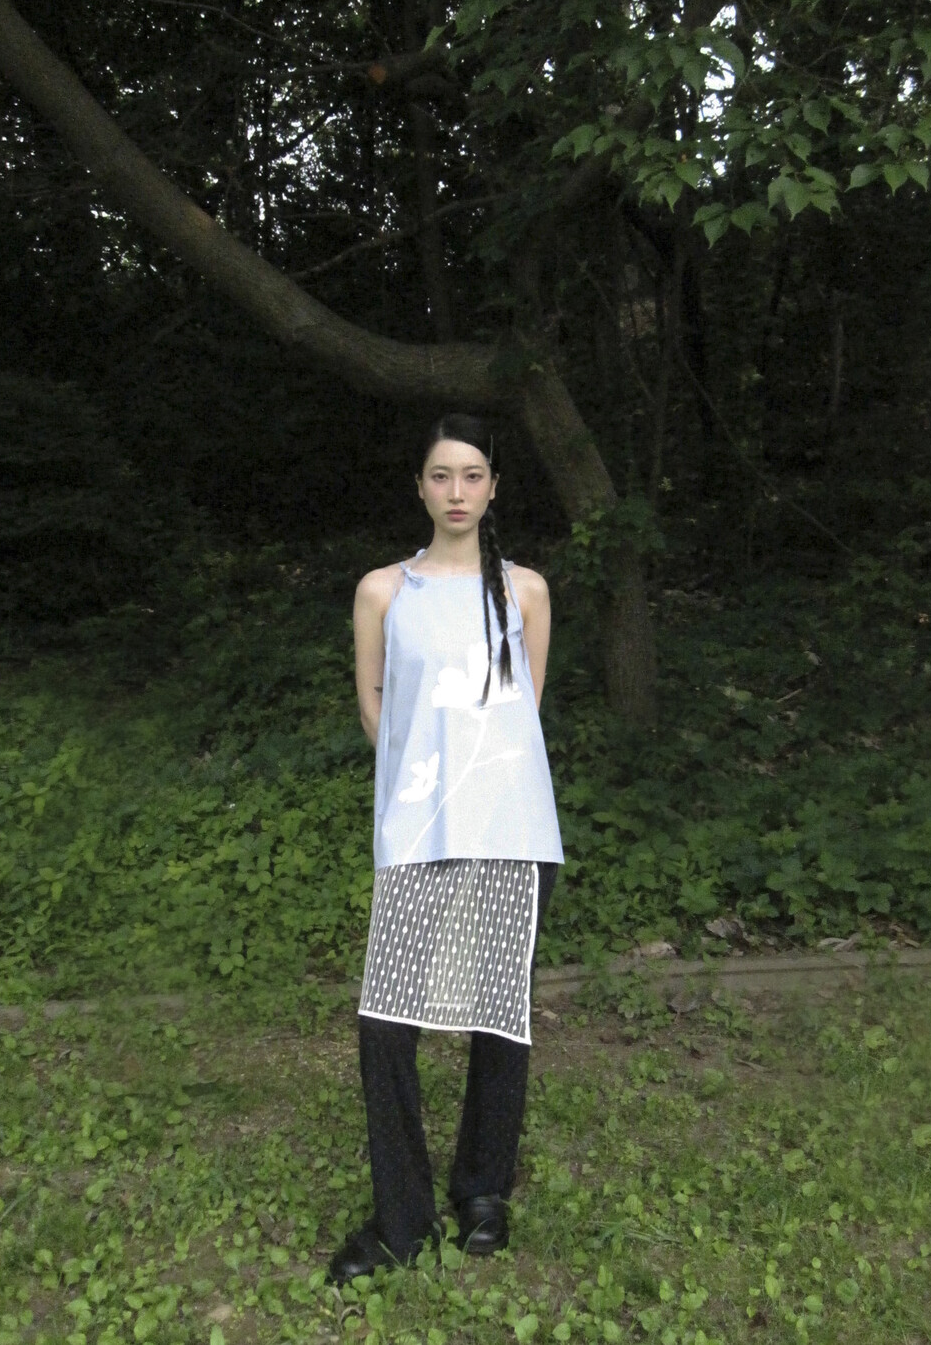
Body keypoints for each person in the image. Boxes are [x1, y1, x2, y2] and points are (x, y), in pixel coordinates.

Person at [328, 414, 563, 1285]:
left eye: (472, 476)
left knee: (499, 1015)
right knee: (386, 1023)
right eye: (440, 476)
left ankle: (482, 1191)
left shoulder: (526, 592)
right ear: (420, 487)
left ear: (494, 487)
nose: (456, 492)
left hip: (511, 827)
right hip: (419, 829)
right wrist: (426, 788)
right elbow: (377, 713)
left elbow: (521, 715)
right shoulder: (384, 592)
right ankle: (402, 1220)